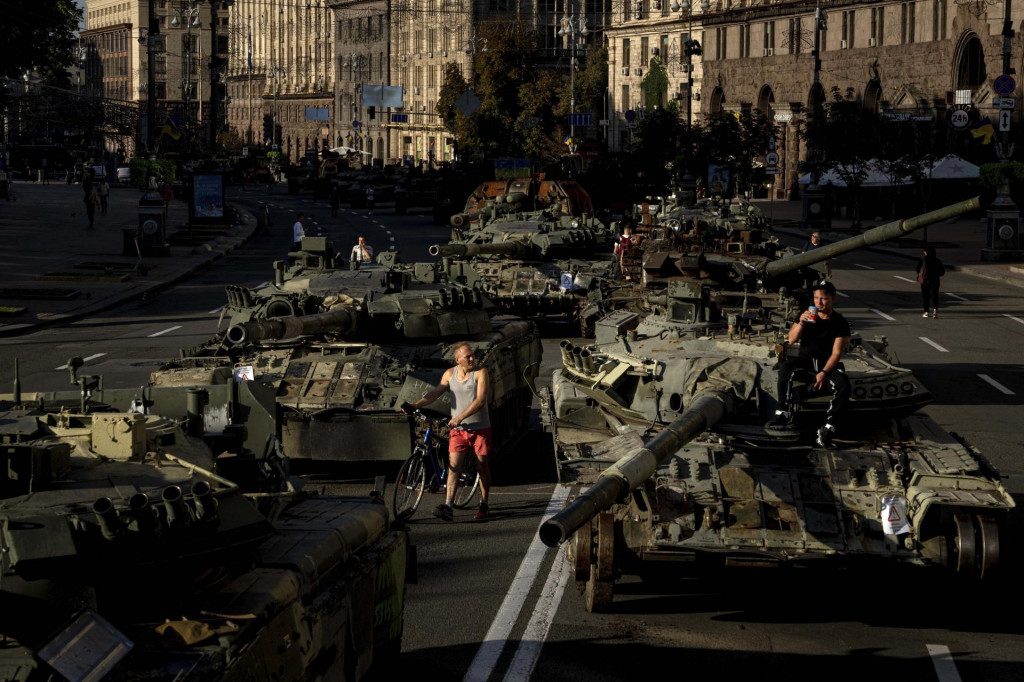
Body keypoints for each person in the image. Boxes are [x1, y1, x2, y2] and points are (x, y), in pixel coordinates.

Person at [401, 342, 492, 521]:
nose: (472, 358)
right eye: (468, 357)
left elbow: (480, 401)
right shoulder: (450, 374)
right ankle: (448, 505)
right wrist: (416, 405)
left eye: (472, 355)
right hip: (458, 432)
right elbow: (435, 393)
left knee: (482, 466)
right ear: (457, 359)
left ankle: (484, 503)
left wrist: (460, 417)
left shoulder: (481, 373)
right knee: (453, 468)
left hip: (479, 429)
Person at [767, 279, 851, 449]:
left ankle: (828, 427)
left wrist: (825, 372)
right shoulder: (805, 315)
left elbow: (836, 353)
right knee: (786, 369)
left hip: (827, 363)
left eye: (824, 298)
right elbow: (791, 339)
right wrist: (801, 323)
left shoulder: (840, 322)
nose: (819, 302)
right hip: (806, 361)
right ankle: (783, 412)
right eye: (816, 298)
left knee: (843, 385)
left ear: (833, 299)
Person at [916, 245, 945, 318]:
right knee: (935, 295)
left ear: (926, 252)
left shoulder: (923, 260)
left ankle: (926, 312)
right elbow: (942, 272)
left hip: (925, 280)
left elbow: (917, 269)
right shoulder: (937, 260)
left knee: (926, 296)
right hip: (935, 280)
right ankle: (935, 311)